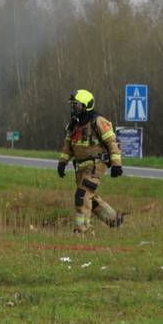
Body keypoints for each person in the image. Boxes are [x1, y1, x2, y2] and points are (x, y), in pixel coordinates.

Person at [57, 89, 125, 233]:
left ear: (86, 105)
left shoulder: (98, 121)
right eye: (73, 105)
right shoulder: (74, 123)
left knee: (81, 196)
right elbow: (68, 145)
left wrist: (116, 165)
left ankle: (81, 229)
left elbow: (112, 143)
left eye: (77, 105)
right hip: (81, 168)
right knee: (90, 198)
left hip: (96, 165)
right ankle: (114, 220)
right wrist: (62, 162)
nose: (74, 108)